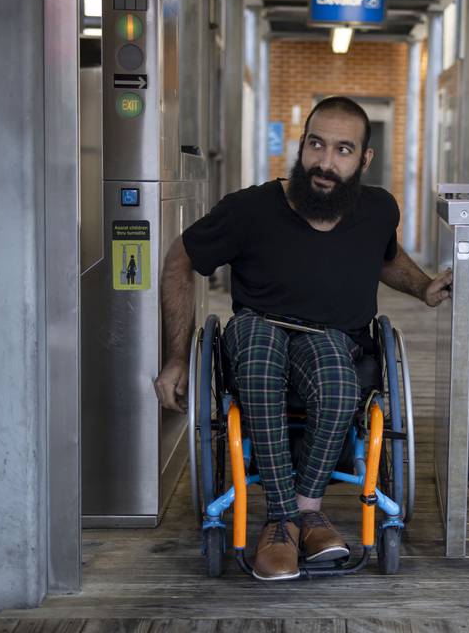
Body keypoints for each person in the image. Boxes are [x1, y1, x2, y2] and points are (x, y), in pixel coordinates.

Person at [153, 96, 451, 581]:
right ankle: (285, 519)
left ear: (364, 159)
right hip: (259, 327)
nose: (325, 163)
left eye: (342, 150)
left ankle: (302, 513)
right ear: (301, 144)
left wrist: (423, 287)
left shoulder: (377, 210)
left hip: (333, 336)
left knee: (338, 379)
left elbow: (385, 257)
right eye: (316, 145)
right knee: (257, 352)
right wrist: (176, 359)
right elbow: (179, 261)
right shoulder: (249, 209)